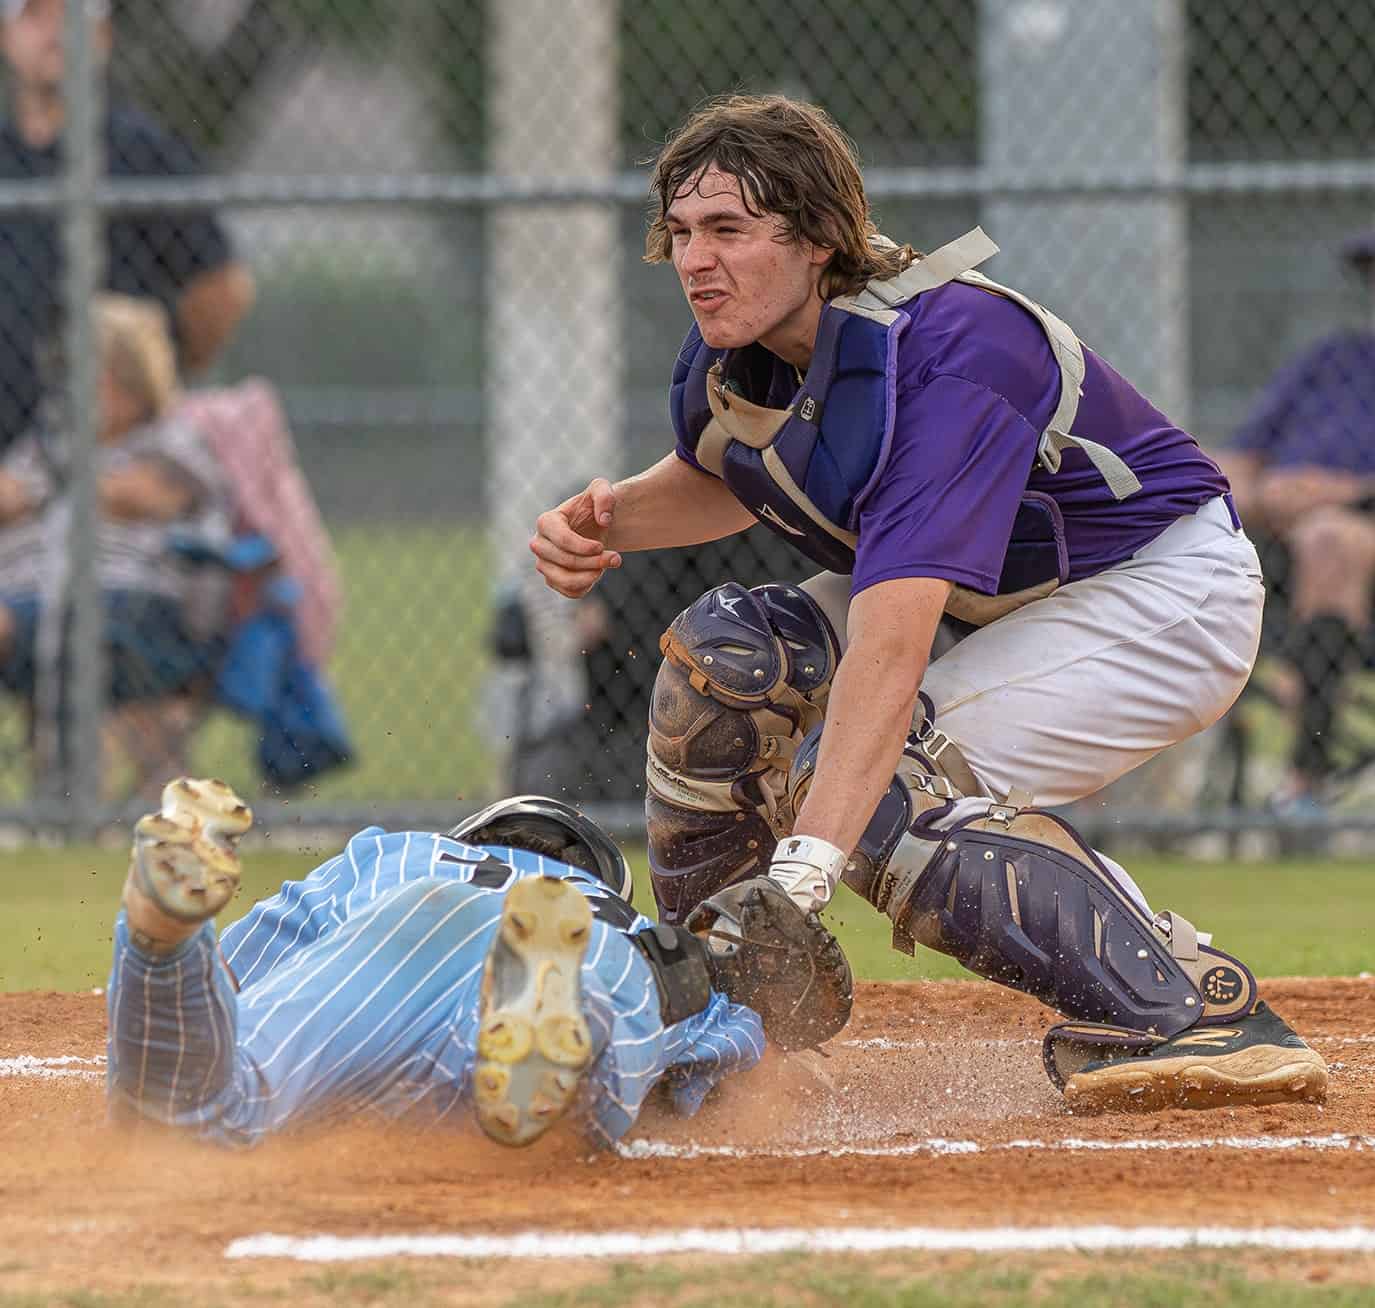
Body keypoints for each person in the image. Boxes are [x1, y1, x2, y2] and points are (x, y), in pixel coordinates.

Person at [530, 94, 1328, 1114]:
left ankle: (1183, 1007)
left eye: (728, 230)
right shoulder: (746, 358)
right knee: (729, 658)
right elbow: (745, 470)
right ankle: (725, 1028)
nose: (695, 261)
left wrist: (804, 874)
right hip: (999, 591)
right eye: (682, 233)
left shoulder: (945, 353)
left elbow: (890, 645)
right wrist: (612, 521)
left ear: (819, 239)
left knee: (884, 798)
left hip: (1155, 591)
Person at [106, 780, 853, 1148]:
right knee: (589, 1094)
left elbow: (239, 981)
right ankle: (549, 1026)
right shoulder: (624, 921)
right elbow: (735, 1075)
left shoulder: (391, 854)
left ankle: (160, 939)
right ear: (597, 878)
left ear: (480, 837)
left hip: (402, 923)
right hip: (602, 961)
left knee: (209, 1112)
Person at [0, 0, 255, 455]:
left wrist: (160, 375)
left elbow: (222, 289)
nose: (56, 33)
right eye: (35, 15)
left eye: (73, 17)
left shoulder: (143, 152)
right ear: (6, 36)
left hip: (121, 451)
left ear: (103, 37)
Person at [0, 293, 231, 780]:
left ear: (131, 382)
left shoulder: (170, 438)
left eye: (93, 373)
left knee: (79, 627)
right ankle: (65, 805)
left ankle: (77, 801)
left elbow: (145, 496)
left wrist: (48, 491)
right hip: (34, 602)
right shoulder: (50, 446)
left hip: (136, 609)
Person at [1216, 230, 1375, 813]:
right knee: (1193, 483)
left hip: (1353, 540)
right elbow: (1238, 461)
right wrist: (1261, 493)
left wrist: (1340, 493)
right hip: (1276, 541)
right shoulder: (1335, 359)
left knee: (1332, 539)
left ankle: (1306, 781)